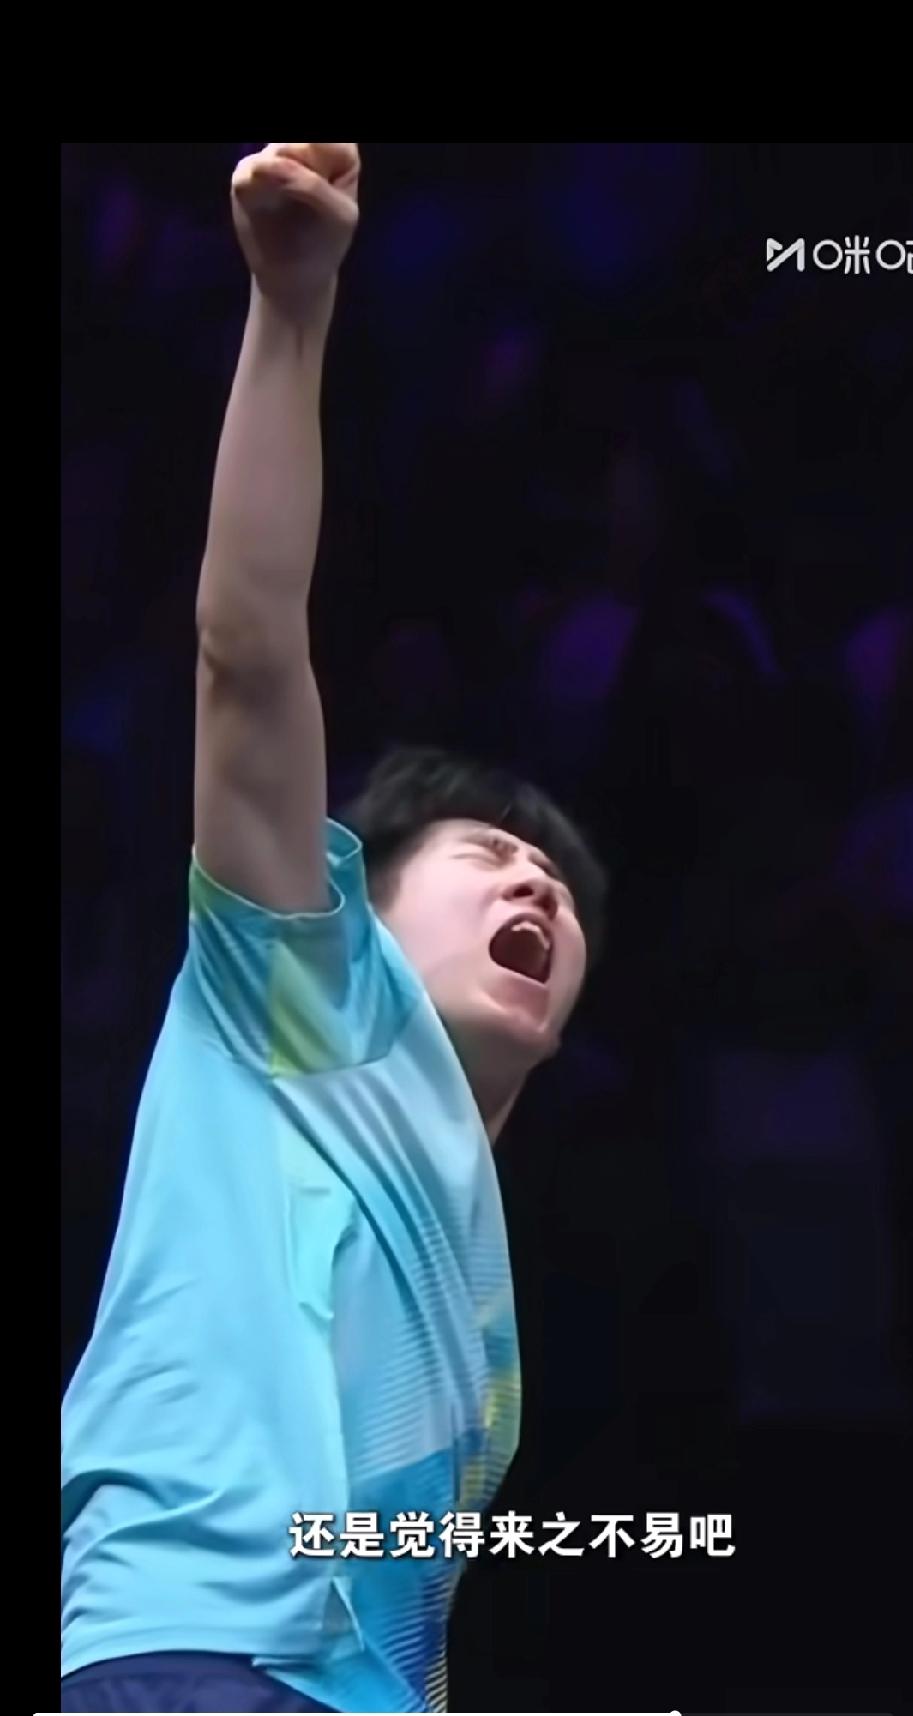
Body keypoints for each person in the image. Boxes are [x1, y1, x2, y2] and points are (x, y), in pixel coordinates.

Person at [61, 142, 607, 1715]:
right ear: (351, 903)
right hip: (192, 1657)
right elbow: (245, 651)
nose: (537, 889)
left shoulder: (470, 1260)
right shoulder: (304, 1004)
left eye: (561, 890)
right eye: (489, 856)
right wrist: (290, 305)